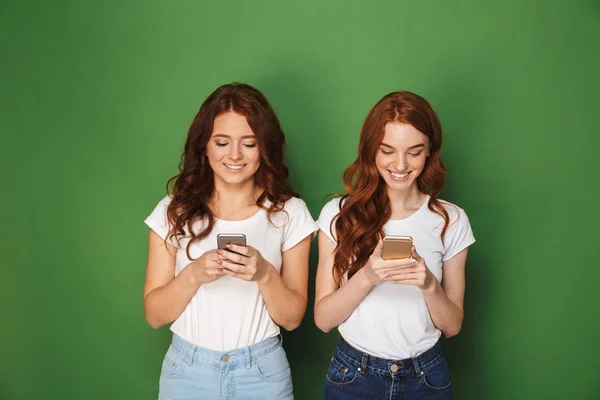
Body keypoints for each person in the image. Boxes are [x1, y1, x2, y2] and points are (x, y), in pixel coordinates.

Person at [143, 83, 316, 399]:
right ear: (203, 147)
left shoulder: (291, 213)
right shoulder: (172, 210)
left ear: (265, 147)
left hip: (262, 372)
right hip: (187, 372)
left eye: (249, 143)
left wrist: (264, 273)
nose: (235, 155)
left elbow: (291, 319)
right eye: (222, 142)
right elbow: (154, 315)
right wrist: (195, 274)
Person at [314, 91, 475, 399]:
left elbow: (453, 325)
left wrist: (428, 283)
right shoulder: (338, 215)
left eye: (414, 152)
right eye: (387, 150)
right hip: (353, 375)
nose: (400, 164)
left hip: (426, 377)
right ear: (371, 150)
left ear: (430, 151)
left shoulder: (451, 220)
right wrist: (368, 276)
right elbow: (323, 320)